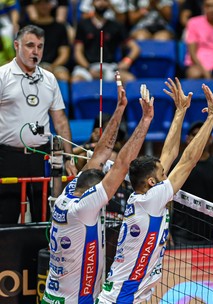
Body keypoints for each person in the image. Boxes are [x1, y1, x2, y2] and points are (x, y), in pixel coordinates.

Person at [97, 83, 213, 303]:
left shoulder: (144, 195)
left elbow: (170, 153)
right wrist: (211, 117)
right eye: (163, 174)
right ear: (152, 182)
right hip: (122, 298)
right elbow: (188, 161)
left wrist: (180, 111)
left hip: (122, 295)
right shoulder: (152, 199)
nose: (167, 174)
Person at [42, 72, 156, 303]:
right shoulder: (82, 209)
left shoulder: (70, 193)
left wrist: (120, 108)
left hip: (54, 297)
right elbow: (122, 165)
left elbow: (100, 154)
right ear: (90, 194)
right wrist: (145, 120)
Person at [0, 25, 77, 224]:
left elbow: (60, 121)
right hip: (8, 157)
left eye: (40, 46)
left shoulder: (49, 79)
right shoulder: (3, 76)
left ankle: (39, 255)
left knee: (42, 216)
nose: (35, 51)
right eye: (30, 45)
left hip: (41, 157)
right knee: (6, 215)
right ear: (16, 45)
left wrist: (69, 158)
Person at [170, 121, 213, 246]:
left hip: (208, 235)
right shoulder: (178, 166)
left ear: (211, 139)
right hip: (180, 234)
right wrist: (166, 231)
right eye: (195, 135)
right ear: (187, 139)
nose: (199, 138)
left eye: (204, 134)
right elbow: (167, 200)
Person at [71, 0, 140, 83]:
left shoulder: (116, 25)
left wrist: (126, 61)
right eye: (98, 1)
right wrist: (88, 68)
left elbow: (135, 48)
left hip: (110, 67)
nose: (101, 3)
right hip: (88, 67)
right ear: (92, 3)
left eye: (105, 1)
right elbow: (78, 52)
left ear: (109, 3)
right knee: (76, 80)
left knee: (129, 79)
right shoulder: (83, 24)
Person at [24, 0, 71, 82]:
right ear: (35, 6)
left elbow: (64, 53)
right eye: (40, 3)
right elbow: (24, 53)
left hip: (55, 66)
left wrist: (52, 67)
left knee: (63, 76)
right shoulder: (27, 28)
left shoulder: (60, 27)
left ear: (51, 5)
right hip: (32, 66)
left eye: (46, 3)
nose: (43, 6)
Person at [183, 0, 213, 79]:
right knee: (194, 74)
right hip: (197, 64)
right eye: (208, 6)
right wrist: (205, 72)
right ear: (203, 7)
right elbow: (192, 53)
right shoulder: (193, 22)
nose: (212, 9)